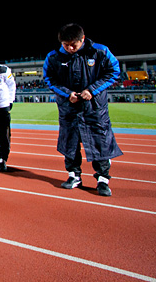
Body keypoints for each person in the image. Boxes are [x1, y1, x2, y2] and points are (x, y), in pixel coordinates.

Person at [43, 23, 122, 196]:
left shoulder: (99, 51)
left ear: (82, 39)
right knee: (69, 141)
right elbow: (49, 79)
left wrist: (92, 91)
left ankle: (102, 179)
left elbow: (113, 72)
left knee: (100, 141)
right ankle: (74, 175)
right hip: (68, 108)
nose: (70, 48)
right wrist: (67, 93)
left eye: (74, 45)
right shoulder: (54, 57)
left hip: (94, 108)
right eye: (66, 45)